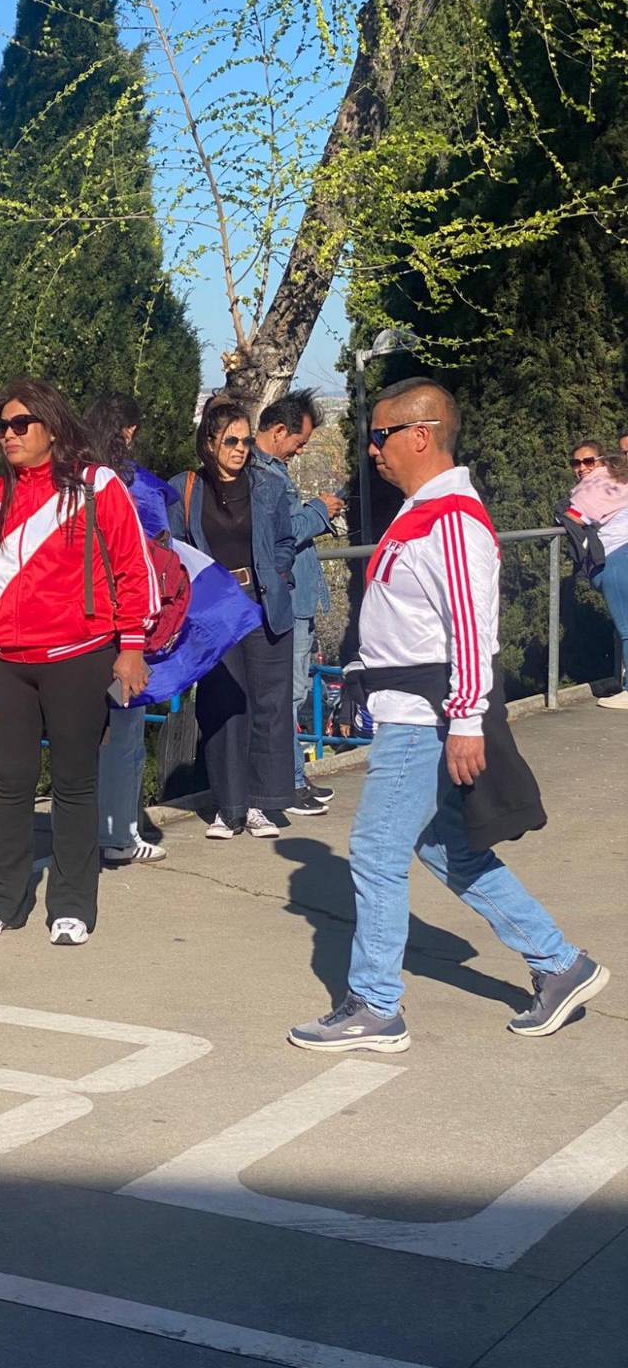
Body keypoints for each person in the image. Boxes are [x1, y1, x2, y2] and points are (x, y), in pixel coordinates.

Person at [289, 379, 608, 1053]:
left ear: (420, 434)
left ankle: (376, 1006)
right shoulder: (422, 513)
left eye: (379, 436)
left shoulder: (452, 518)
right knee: (447, 848)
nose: (372, 451)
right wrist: (359, 672)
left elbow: (472, 627)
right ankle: (559, 964)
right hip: (411, 708)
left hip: (425, 716)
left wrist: (466, 720)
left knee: (377, 852)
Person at [0, 378, 157, 946]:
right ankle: (1, 900)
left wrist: (131, 647)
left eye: (20, 424)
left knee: (75, 786)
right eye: (1, 426)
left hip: (78, 658)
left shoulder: (96, 486)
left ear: (51, 428)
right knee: (9, 784)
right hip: (8, 662)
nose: (8, 435)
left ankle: (73, 904)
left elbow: (134, 569)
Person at [168, 396, 296, 838]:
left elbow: (285, 538)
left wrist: (277, 574)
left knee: (268, 704)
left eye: (245, 440)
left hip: (263, 606)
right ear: (209, 442)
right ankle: (229, 805)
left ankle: (262, 803)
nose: (241, 449)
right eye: (231, 440)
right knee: (223, 704)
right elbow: (170, 545)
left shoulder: (268, 486)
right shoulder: (186, 489)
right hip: (216, 613)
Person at [253, 388, 343, 817]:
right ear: (278, 431)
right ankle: (287, 782)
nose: (299, 452)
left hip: (298, 596)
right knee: (287, 693)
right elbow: (282, 533)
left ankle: (292, 776)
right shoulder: (263, 476)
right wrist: (320, 510)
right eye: (299, 443)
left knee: (295, 690)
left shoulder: (272, 472)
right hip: (287, 597)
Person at [85, 392, 167, 866]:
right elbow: (145, 554)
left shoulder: (79, 480)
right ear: (129, 432)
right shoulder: (128, 486)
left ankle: (97, 829)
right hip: (124, 630)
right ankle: (118, 832)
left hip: (85, 629)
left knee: (94, 736)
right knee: (125, 732)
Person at [566, 443, 628, 712]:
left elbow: (575, 517)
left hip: (616, 555)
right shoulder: (620, 479)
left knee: (626, 626)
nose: (582, 468)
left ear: (601, 461)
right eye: (576, 463)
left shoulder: (590, 489)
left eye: (588, 461)